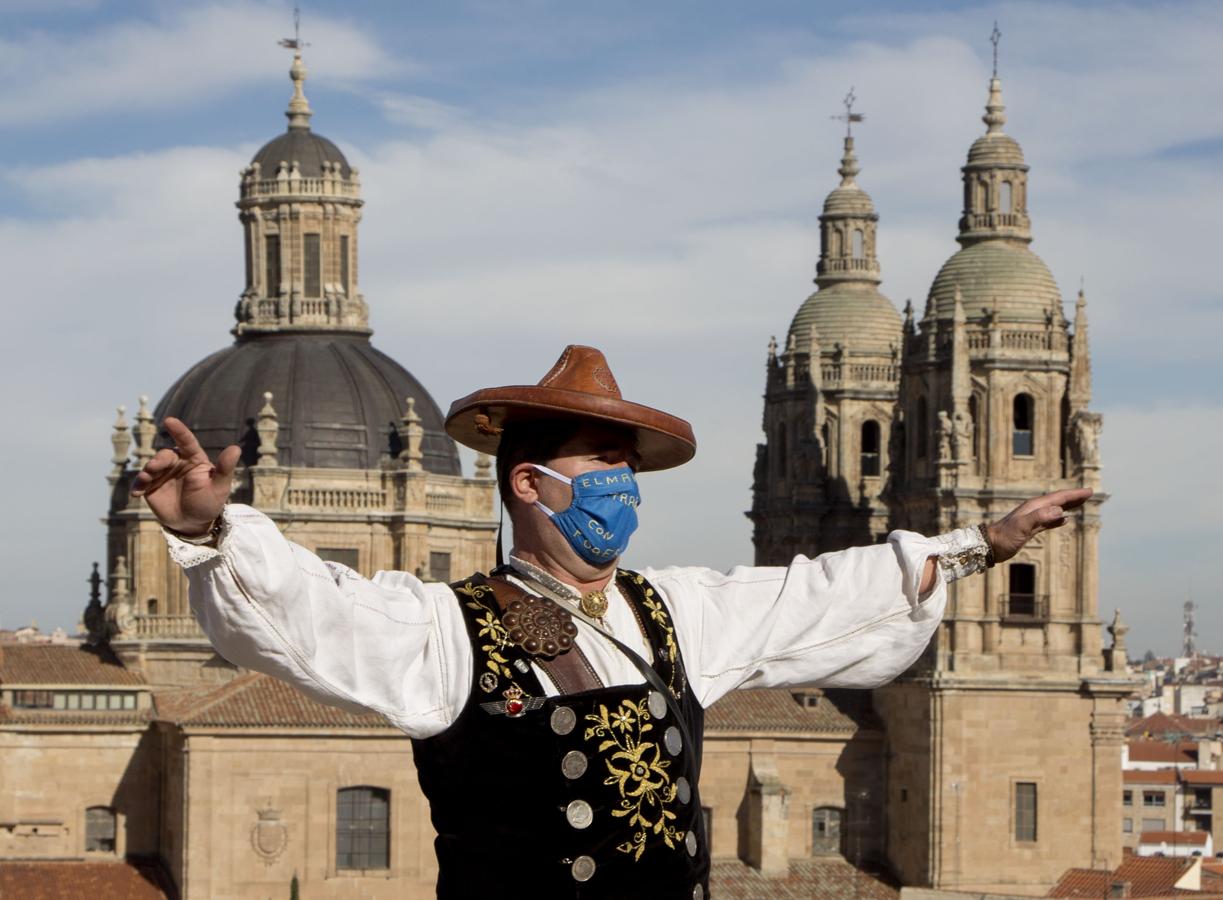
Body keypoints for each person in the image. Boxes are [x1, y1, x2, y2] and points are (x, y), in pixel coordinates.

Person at [132, 345, 1087, 899]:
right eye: (601, 461)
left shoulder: (671, 613)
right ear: (529, 484)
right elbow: (313, 612)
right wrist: (217, 528)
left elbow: (813, 595)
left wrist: (979, 546)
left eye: (626, 464)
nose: (622, 485)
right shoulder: (443, 630)